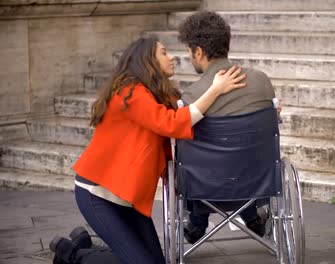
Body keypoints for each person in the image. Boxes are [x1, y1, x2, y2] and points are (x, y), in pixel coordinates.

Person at [49, 36, 247, 264]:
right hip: (97, 194)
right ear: (147, 60)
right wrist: (215, 90)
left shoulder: (163, 93)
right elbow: (171, 123)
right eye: (164, 52)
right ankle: (73, 254)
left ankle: (83, 246)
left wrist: (270, 110)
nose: (172, 57)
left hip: (127, 199)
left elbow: (192, 120)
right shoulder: (129, 91)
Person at [177, 11, 276, 244]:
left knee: (193, 156)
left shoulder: (193, 94)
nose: (190, 57)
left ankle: (197, 221)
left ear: (198, 51)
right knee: (241, 156)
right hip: (255, 179)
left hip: (207, 185)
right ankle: (250, 214)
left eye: (189, 52)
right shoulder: (261, 81)